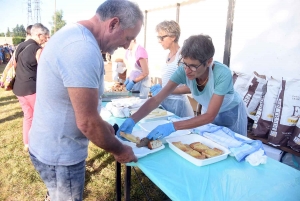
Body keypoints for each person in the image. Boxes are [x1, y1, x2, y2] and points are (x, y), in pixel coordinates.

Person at [28, 0, 144, 200]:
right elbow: (87, 122)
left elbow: (77, 108)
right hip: (61, 156)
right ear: (113, 23)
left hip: (50, 146)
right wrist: (121, 150)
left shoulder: (73, 34)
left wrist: (100, 124)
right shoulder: (82, 48)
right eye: (128, 38)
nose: (126, 45)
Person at [117, 34, 247, 140]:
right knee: (213, 144)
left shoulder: (222, 74)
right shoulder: (184, 70)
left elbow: (210, 116)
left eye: (193, 65)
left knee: (233, 147)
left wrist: (172, 126)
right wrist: (133, 119)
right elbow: (158, 99)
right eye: (185, 63)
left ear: (208, 61)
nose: (187, 70)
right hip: (210, 112)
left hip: (231, 112)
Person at [12, 23, 49, 152]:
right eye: (45, 36)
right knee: (41, 116)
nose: (46, 39)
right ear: (39, 35)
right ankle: (41, 143)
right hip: (32, 89)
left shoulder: (20, 46)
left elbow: (14, 64)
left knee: (28, 116)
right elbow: (45, 70)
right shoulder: (37, 49)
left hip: (18, 88)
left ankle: (27, 143)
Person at [150, 20, 194, 117]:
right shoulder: (168, 56)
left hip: (177, 104)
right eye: (158, 37)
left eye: (162, 38)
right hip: (166, 101)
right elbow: (167, 79)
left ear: (173, 37)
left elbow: (191, 87)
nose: (159, 41)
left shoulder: (182, 56)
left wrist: (167, 90)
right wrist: (159, 86)